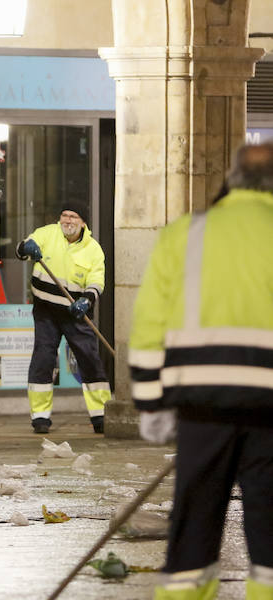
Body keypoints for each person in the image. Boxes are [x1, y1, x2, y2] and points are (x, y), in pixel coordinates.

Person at [129, 143, 273, 599]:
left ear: (231, 179)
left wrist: (150, 402)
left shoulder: (185, 234)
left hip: (201, 405)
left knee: (193, 524)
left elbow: (149, 325)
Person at [16, 202, 110, 434]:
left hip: (75, 312)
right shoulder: (47, 233)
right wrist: (27, 247)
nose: (67, 220)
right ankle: (40, 417)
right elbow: (22, 250)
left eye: (73, 216)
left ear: (83, 223)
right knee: (43, 358)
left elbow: (97, 280)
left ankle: (100, 415)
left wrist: (87, 300)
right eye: (64, 215)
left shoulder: (93, 249)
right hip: (46, 309)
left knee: (89, 358)